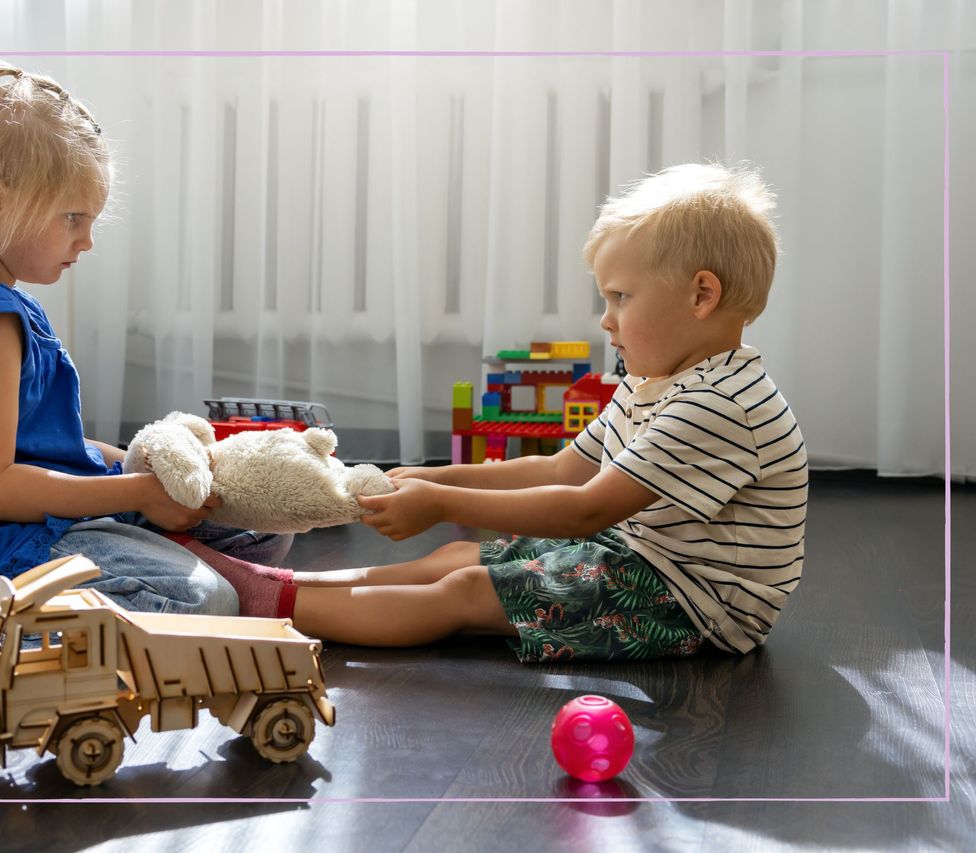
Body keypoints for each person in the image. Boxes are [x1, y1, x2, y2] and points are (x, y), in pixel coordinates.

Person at [200, 163, 807, 662]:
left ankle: (265, 607)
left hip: (695, 603)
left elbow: (586, 507)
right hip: (641, 556)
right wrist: (430, 477)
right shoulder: (658, 381)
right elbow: (567, 469)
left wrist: (442, 502)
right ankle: (285, 588)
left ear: (702, 295)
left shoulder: (718, 405)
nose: (606, 318)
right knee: (458, 557)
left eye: (621, 297)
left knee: (465, 590)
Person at [0, 61, 291, 641]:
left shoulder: (2, 301)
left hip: (41, 517)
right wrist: (139, 493)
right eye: (73, 218)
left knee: (257, 526)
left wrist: (134, 464)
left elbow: (45, 445)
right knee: (204, 600)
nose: (88, 239)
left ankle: (133, 563)